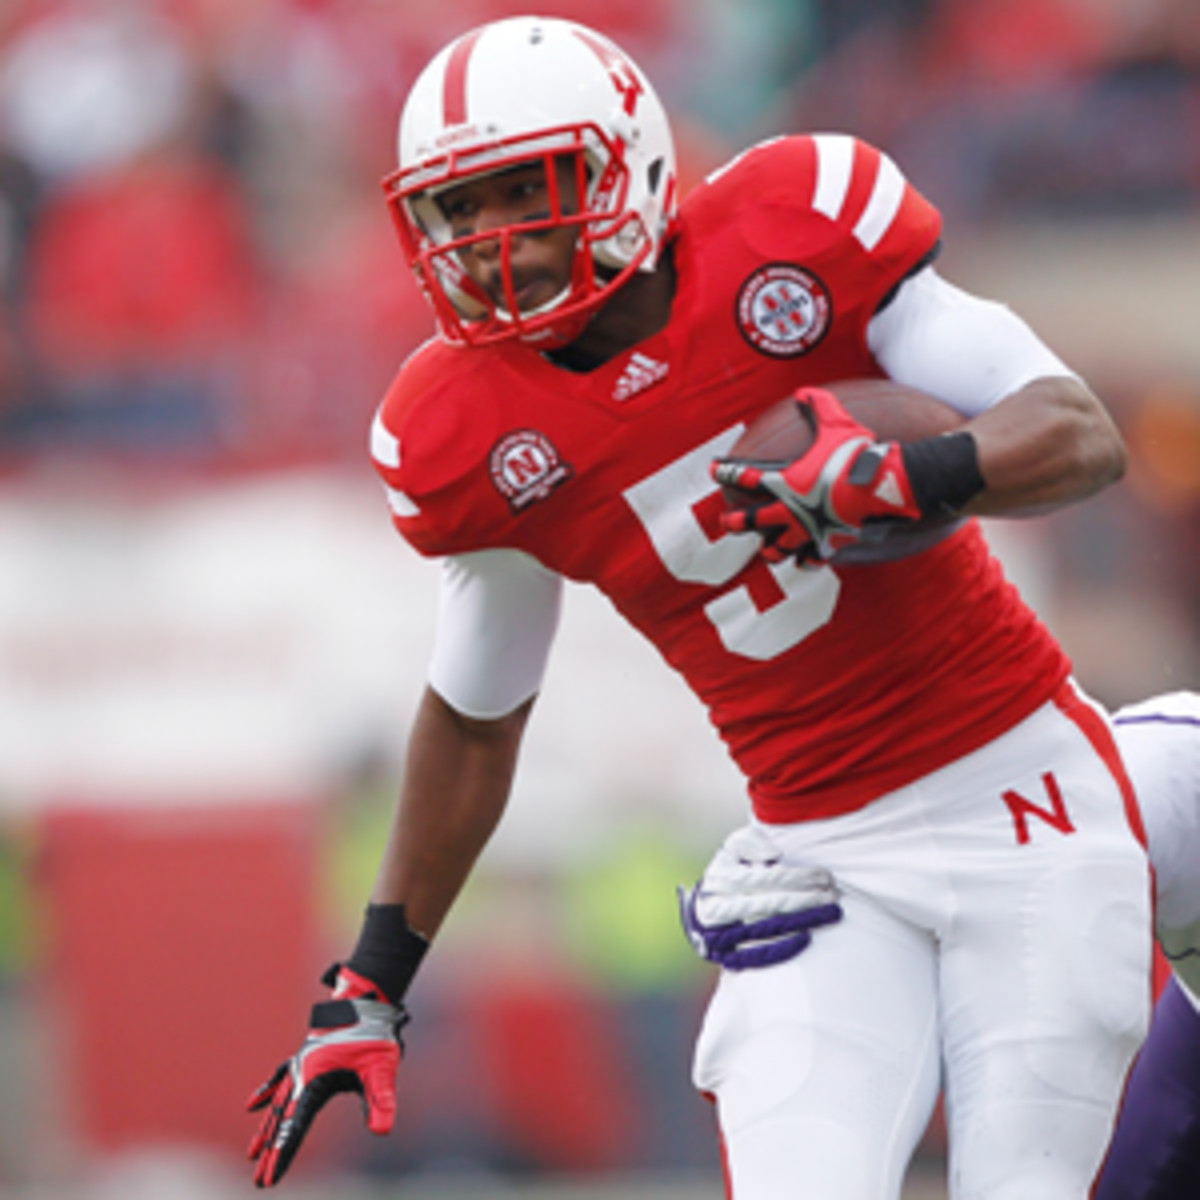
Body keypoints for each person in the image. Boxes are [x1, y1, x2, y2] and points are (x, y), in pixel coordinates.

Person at [246, 16, 1157, 1197]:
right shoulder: (461, 429)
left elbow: (1076, 432)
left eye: (522, 190)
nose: (488, 240)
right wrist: (369, 982)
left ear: (623, 164)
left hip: (1021, 788)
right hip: (818, 856)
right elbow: (477, 716)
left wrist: (905, 477)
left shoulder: (795, 222)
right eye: (458, 210)